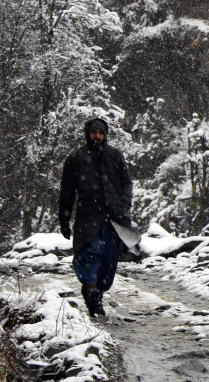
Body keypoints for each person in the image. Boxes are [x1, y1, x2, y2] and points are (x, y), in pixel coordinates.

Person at [58, 117, 133, 318]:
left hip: (113, 218)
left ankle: (96, 293)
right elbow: (67, 192)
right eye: (94, 133)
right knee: (87, 256)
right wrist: (64, 220)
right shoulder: (76, 158)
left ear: (105, 134)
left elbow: (127, 182)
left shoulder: (115, 156)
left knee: (109, 259)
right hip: (88, 218)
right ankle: (90, 292)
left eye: (101, 133)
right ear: (87, 134)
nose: (97, 136)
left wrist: (124, 203)